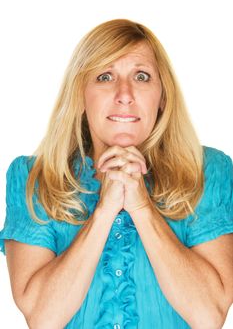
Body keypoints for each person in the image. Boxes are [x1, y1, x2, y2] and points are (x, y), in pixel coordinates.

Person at [0, 18, 232, 329]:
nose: (125, 94)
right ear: (80, 94)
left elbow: (209, 316)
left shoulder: (207, 172)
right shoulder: (34, 179)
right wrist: (104, 210)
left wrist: (141, 207)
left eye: (141, 76)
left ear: (163, 96)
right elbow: (43, 318)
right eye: (105, 76)